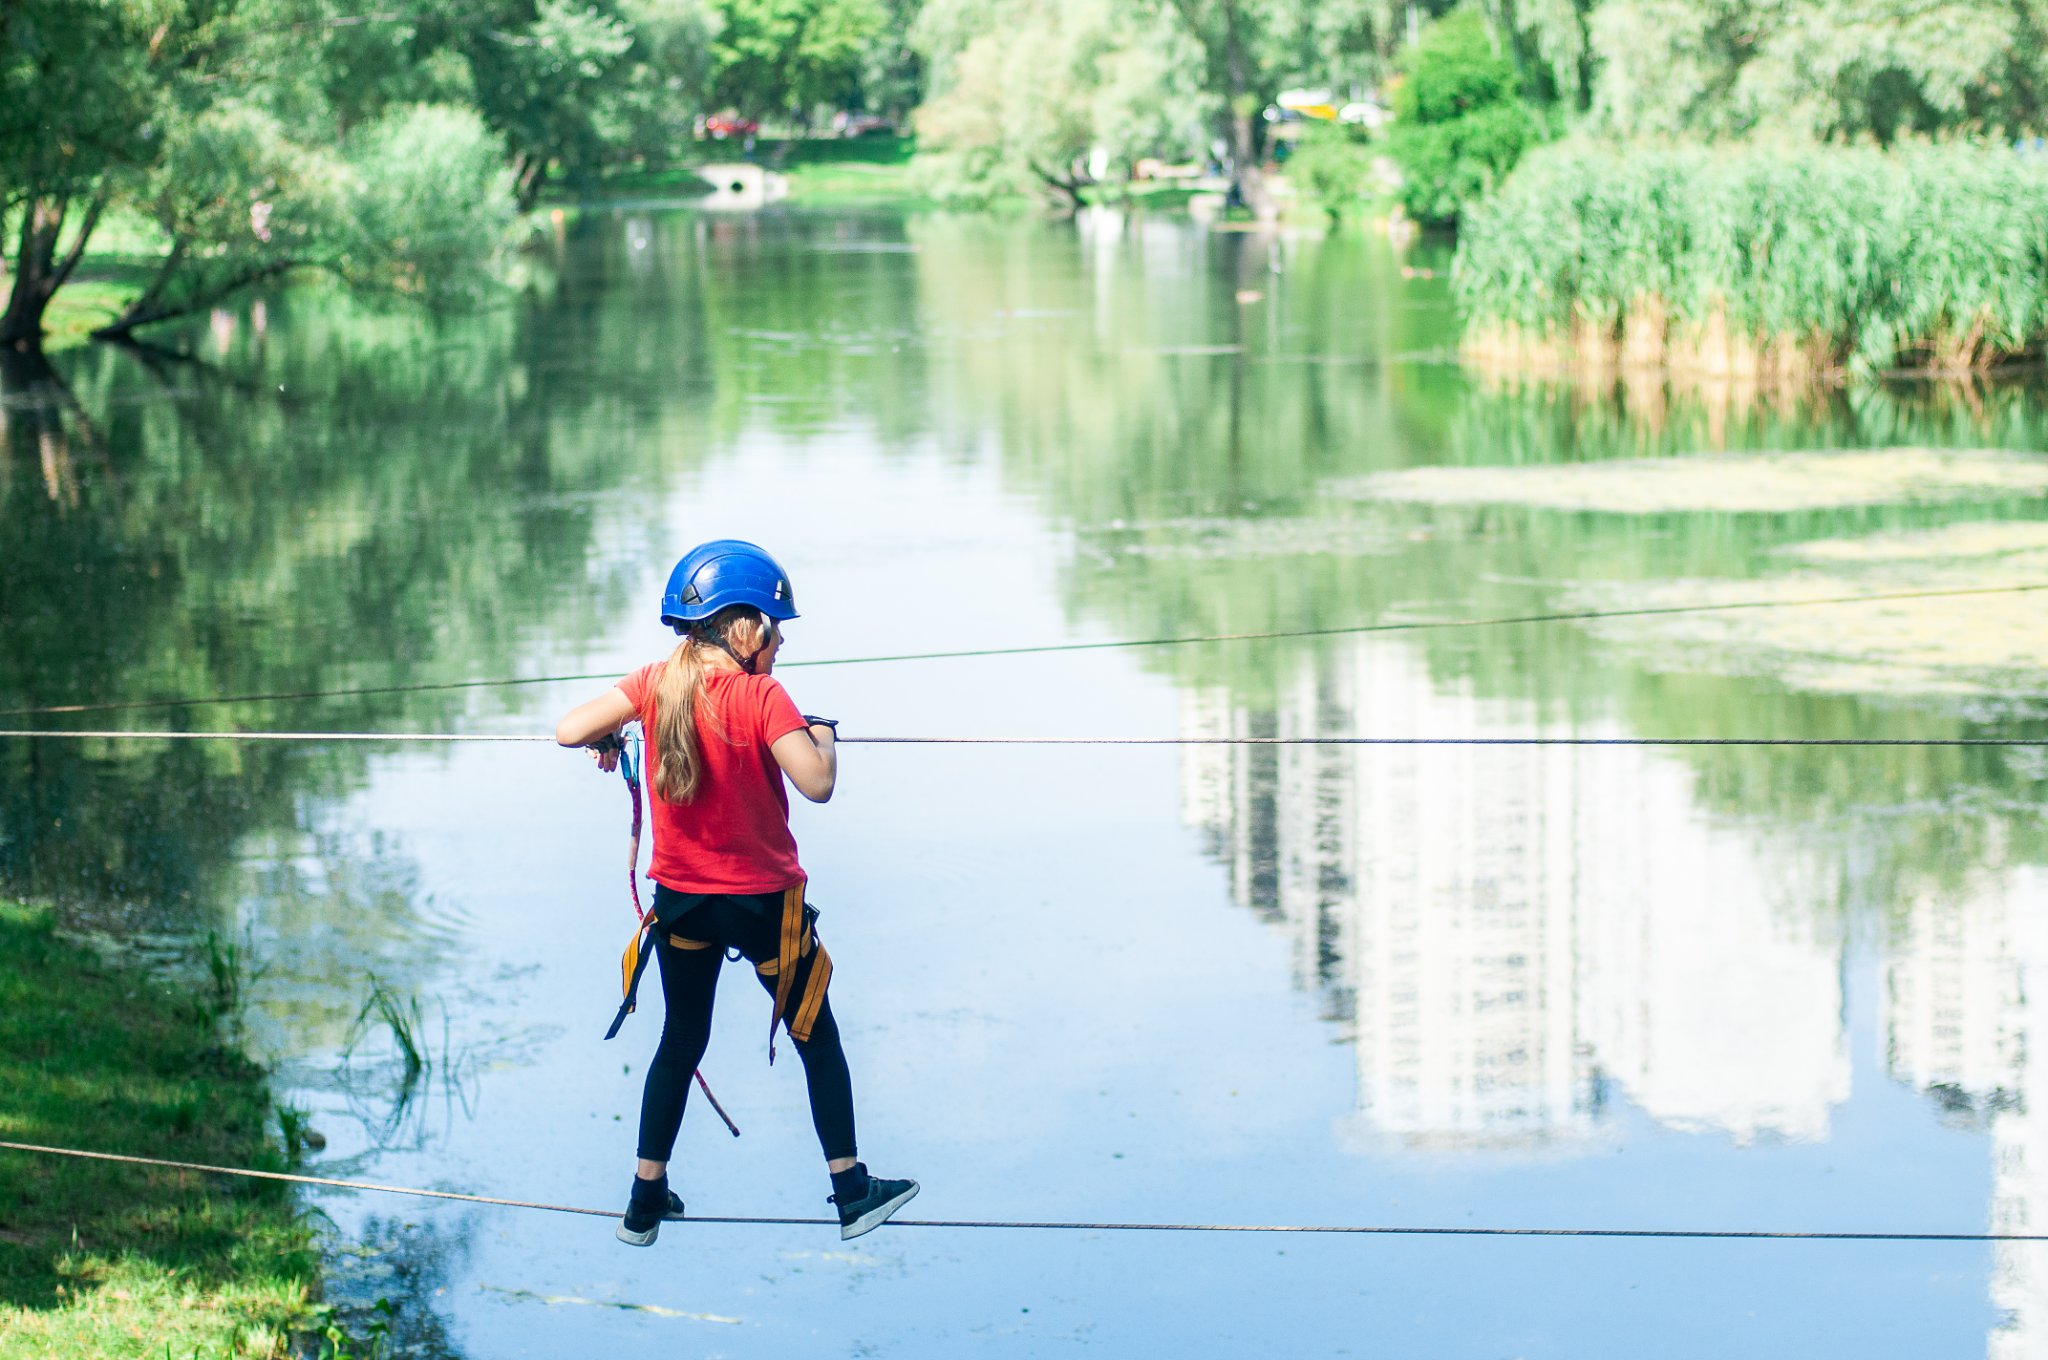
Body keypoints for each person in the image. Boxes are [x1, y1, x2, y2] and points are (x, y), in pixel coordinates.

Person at [555, 539, 918, 1247]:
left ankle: (644, 1198)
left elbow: (568, 729)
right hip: (763, 907)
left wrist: (613, 728)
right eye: (775, 627)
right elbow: (817, 783)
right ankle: (851, 1190)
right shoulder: (761, 695)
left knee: (681, 1037)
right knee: (817, 1035)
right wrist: (822, 737)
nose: (780, 642)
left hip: (683, 902)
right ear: (742, 627)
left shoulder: (655, 682)